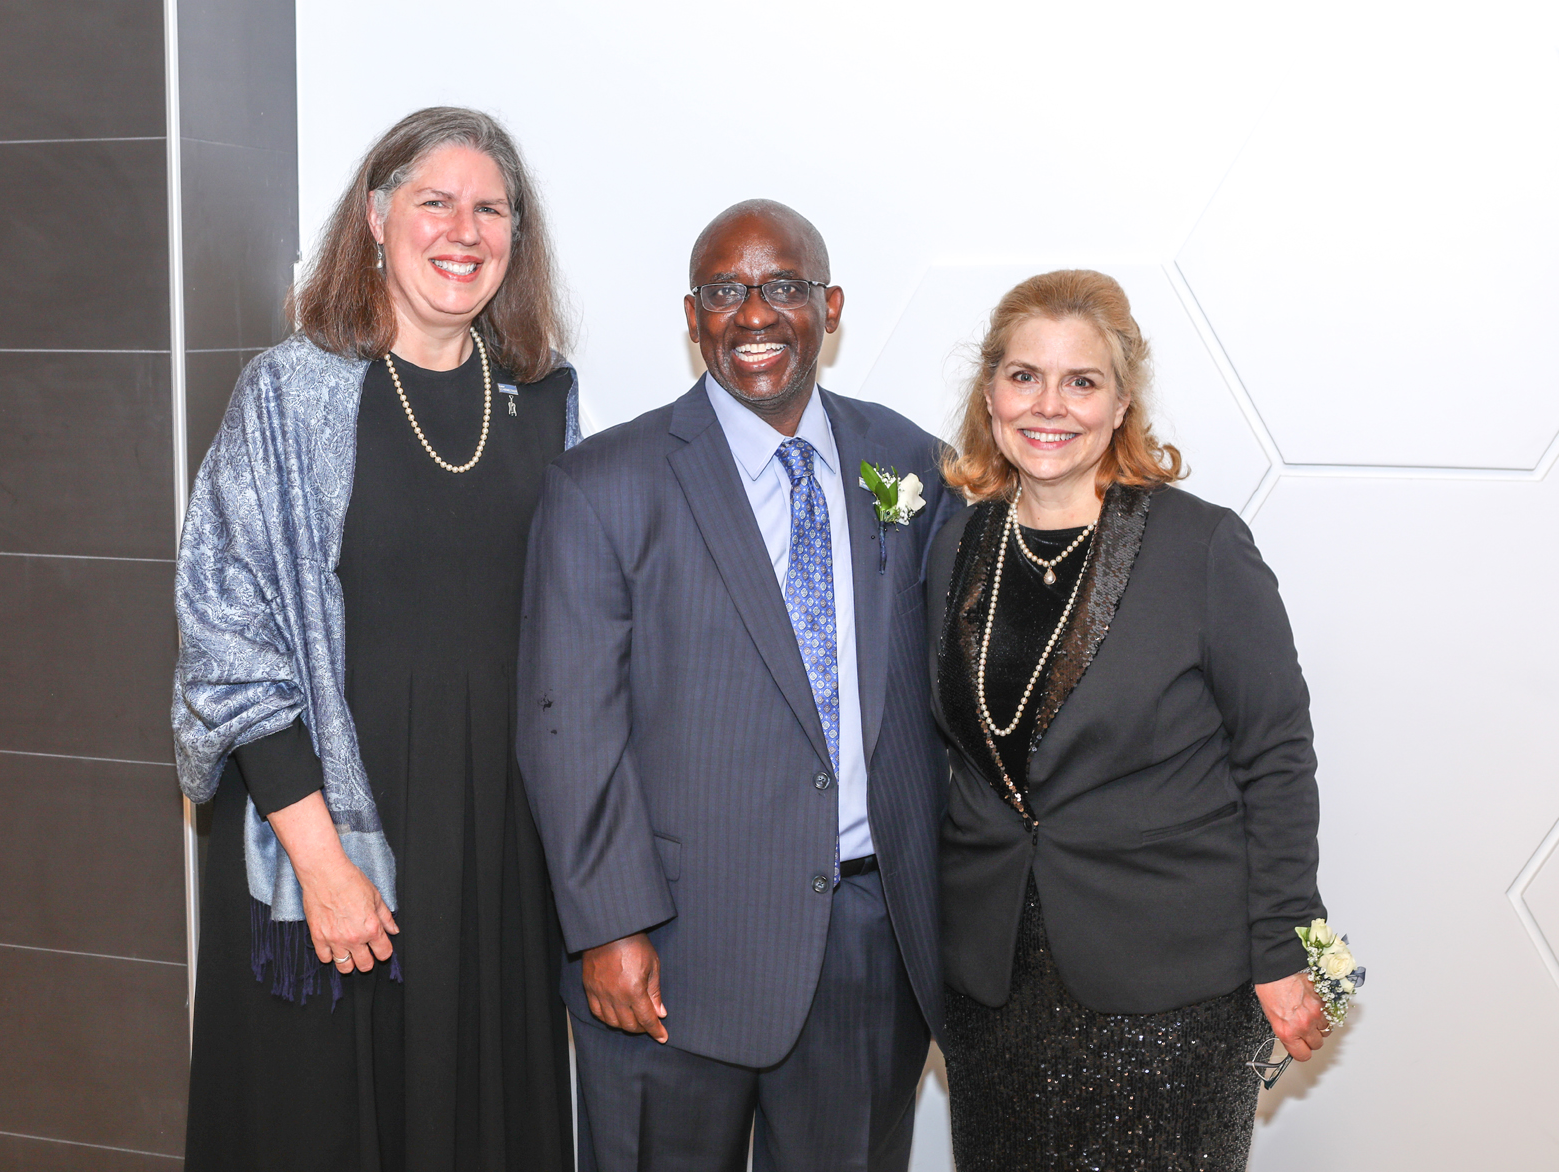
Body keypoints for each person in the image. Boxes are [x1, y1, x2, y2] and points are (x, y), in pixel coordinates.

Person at [515, 200, 961, 1172]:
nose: (753, 312)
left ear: (829, 306)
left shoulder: (909, 464)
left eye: (782, 286)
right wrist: (610, 923)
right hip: (672, 958)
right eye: (725, 291)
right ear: (692, 315)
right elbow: (566, 726)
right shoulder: (605, 483)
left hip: (865, 956)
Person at [173, 107, 578, 1172]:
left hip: (493, 848)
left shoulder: (543, 400)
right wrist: (324, 862)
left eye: (491, 207)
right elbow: (227, 639)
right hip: (334, 830)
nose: (463, 228)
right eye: (434, 200)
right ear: (376, 214)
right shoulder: (292, 391)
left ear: (516, 239)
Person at [926, 269, 1330, 1170]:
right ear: (989, 392)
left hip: (1172, 987)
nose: (1049, 405)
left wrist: (1283, 945)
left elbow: (1276, 756)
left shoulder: (1203, 547)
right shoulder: (956, 543)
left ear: (1121, 404)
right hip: (993, 988)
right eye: (1024, 375)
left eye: (1082, 381)